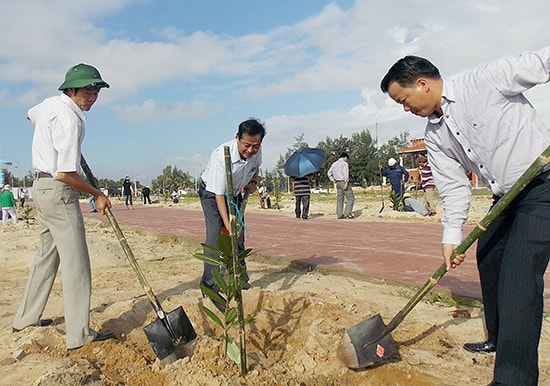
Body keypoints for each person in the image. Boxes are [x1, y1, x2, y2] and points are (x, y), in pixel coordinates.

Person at [380, 47, 550, 386]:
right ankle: (501, 340)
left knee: (518, 275)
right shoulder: (434, 135)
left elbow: (543, 62)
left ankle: (513, 379)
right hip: (506, 197)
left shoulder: (485, 81)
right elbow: (455, 188)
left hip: (544, 186)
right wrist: (451, 236)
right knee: (488, 253)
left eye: (404, 99)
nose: (406, 108)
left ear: (422, 83)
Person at [13, 63, 115, 349]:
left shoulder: (47, 105)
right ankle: (79, 335)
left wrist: (45, 133)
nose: (92, 97)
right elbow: (66, 174)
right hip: (58, 191)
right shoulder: (71, 120)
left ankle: (25, 318)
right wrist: (97, 193)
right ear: (70, 90)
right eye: (87, 91)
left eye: (96, 91)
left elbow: (27, 114)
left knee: (47, 255)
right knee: (76, 264)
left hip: (39, 189)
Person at [198, 118, 266, 311]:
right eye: (246, 145)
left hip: (234, 192)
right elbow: (219, 195)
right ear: (237, 138)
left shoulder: (257, 151)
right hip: (212, 194)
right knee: (216, 237)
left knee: (239, 237)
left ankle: (240, 280)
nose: (251, 150)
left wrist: (252, 182)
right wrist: (227, 224)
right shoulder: (221, 156)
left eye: (255, 146)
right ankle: (209, 286)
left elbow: (255, 168)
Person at [327, 152, 355, 219]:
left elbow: (329, 173)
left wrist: (333, 180)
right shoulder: (344, 164)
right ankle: (347, 213)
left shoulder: (334, 164)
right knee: (351, 198)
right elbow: (346, 174)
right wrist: (346, 183)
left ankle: (339, 214)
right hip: (343, 181)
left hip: (337, 182)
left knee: (340, 199)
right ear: (345, 157)